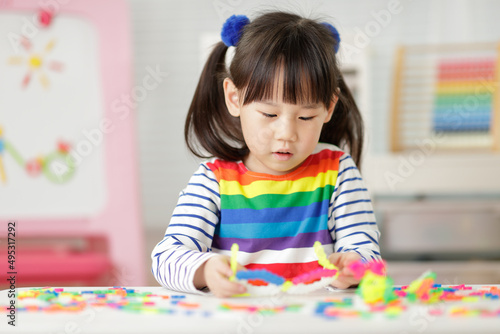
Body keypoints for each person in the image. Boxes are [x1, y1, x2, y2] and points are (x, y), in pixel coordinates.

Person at [152, 11, 381, 297]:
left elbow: (367, 253)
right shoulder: (214, 180)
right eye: (270, 113)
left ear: (329, 108)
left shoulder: (338, 172)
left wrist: (354, 266)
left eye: (306, 117)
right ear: (235, 98)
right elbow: (166, 258)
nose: (287, 133)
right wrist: (206, 268)